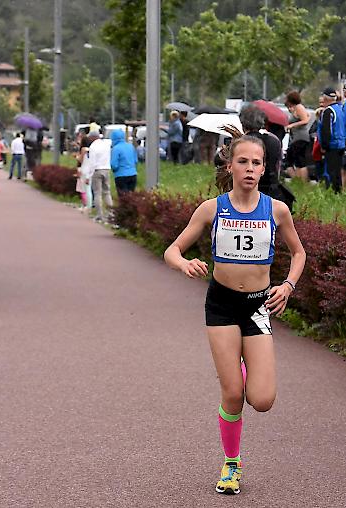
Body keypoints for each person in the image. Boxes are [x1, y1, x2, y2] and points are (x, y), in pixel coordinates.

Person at [163, 134, 306, 496]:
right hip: (222, 305)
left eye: (257, 163)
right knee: (232, 394)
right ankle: (231, 463)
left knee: (262, 400)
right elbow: (172, 250)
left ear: (264, 169)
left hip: (258, 307)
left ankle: (243, 367)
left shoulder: (276, 210)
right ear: (230, 166)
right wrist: (184, 263)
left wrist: (287, 285)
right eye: (243, 162)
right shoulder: (213, 208)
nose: (250, 169)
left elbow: (299, 253)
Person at [238, 105, 282, 199]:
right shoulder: (274, 141)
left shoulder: (239, 144)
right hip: (271, 189)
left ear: (242, 123)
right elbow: (278, 167)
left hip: (248, 191)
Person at [81, 130, 112, 223]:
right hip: (106, 169)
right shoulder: (106, 144)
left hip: (97, 171)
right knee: (107, 192)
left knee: (97, 193)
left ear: (93, 137)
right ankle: (111, 214)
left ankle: (100, 215)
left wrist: (88, 176)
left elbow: (92, 163)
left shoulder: (93, 147)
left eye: (90, 137)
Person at [318, 88, 345, 191]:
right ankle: (338, 190)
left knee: (331, 171)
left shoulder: (328, 111)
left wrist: (324, 145)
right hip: (341, 144)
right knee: (337, 171)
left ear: (325, 98)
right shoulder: (340, 109)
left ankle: (332, 191)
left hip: (332, 145)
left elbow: (327, 130)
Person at [284, 91, 311, 182]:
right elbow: (308, 115)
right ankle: (297, 180)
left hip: (301, 137)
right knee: (290, 159)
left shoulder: (299, 107)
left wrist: (292, 125)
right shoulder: (295, 109)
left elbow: (305, 120)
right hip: (295, 138)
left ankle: (302, 182)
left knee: (300, 161)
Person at [110, 129, 138, 195]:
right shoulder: (131, 146)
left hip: (121, 175)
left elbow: (114, 164)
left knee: (123, 197)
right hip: (133, 174)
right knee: (131, 197)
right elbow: (135, 161)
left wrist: (114, 170)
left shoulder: (116, 148)